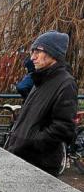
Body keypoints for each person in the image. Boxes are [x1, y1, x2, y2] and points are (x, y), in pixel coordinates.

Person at [6, 31, 78, 176]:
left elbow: (64, 128)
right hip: (22, 159)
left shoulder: (65, 83)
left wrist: (29, 142)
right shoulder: (39, 80)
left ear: (53, 53)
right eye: (33, 52)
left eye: (38, 51)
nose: (33, 57)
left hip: (39, 165)